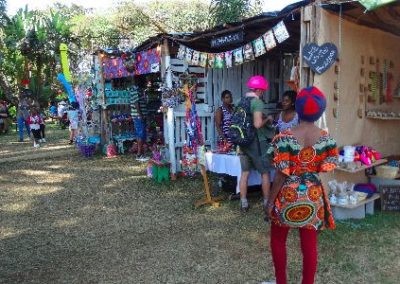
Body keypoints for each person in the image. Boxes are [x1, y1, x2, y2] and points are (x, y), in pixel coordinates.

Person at [265, 86, 338, 284]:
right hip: (312, 195)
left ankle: (281, 281)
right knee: (309, 245)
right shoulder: (326, 139)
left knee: (278, 240)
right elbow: (327, 167)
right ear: (321, 111)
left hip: (287, 193)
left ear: (297, 108)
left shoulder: (283, 138)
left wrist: (270, 202)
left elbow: (280, 174)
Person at [239, 75, 274, 212]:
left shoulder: (240, 101)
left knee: (245, 173)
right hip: (257, 143)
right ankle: (267, 203)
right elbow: (257, 124)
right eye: (263, 91)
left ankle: (243, 202)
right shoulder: (257, 102)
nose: (263, 93)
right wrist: (268, 119)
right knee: (265, 172)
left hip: (243, 143)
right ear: (259, 90)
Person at [130, 86, 148, 161]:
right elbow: (136, 103)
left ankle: (141, 153)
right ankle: (139, 154)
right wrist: (141, 115)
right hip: (138, 116)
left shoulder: (139, 90)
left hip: (139, 116)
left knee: (141, 134)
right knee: (141, 134)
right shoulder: (135, 90)